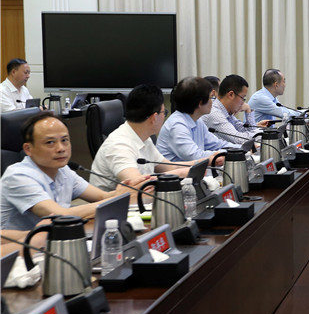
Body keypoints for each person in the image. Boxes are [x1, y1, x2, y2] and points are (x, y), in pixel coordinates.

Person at [0, 112, 148, 231]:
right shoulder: (18, 176)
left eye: (64, 140)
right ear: (28, 149)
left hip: (53, 241)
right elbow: (59, 215)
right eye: (50, 142)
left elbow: (101, 196)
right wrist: (117, 197)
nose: (61, 148)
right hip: (17, 251)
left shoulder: (63, 170)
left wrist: (131, 189)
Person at [90, 85, 218, 192]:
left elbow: (169, 167)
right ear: (154, 117)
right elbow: (139, 186)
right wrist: (182, 173)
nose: (164, 117)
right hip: (116, 211)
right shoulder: (119, 145)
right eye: (164, 113)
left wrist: (207, 161)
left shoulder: (143, 137)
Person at [157, 77, 231, 161]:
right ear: (200, 103)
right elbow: (194, 156)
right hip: (180, 169)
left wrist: (240, 149)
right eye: (211, 98)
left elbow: (216, 144)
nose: (213, 102)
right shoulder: (177, 125)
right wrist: (224, 154)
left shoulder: (197, 120)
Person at [201, 74, 271, 144]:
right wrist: (266, 133)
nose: (243, 102)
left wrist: (248, 110)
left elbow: (245, 130)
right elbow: (238, 139)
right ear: (231, 95)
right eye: (242, 98)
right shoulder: (215, 113)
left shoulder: (226, 112)